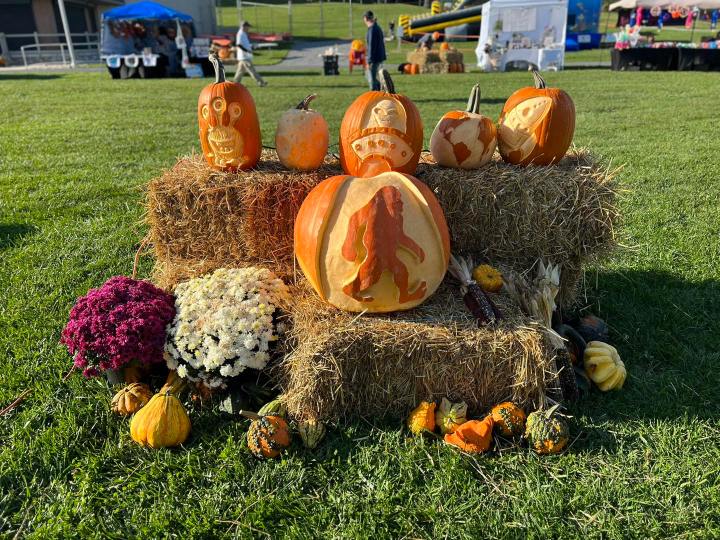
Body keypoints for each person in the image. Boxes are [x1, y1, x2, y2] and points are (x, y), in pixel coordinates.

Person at [234, 21, 267, 87]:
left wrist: (251, 47)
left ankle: (235, 83)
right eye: (248, 26)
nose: (249, 28)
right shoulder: (240, 34)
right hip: (244, 56)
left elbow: (244, 44)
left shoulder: (243, 33)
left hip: (244, 56)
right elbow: (239, 45)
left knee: (240, 71)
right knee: (252, 70)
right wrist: (247, 51)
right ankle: (261, 82)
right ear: (244, 26)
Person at [364, 11, 386, 91]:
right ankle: (381, 91)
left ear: (366, 18)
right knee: (371, 76)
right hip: (378, 57)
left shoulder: (372, 29)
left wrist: (369, 61)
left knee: (371, 79)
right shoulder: (377, 27)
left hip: (374, 58)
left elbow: (371, 46)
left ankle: (375, 95)